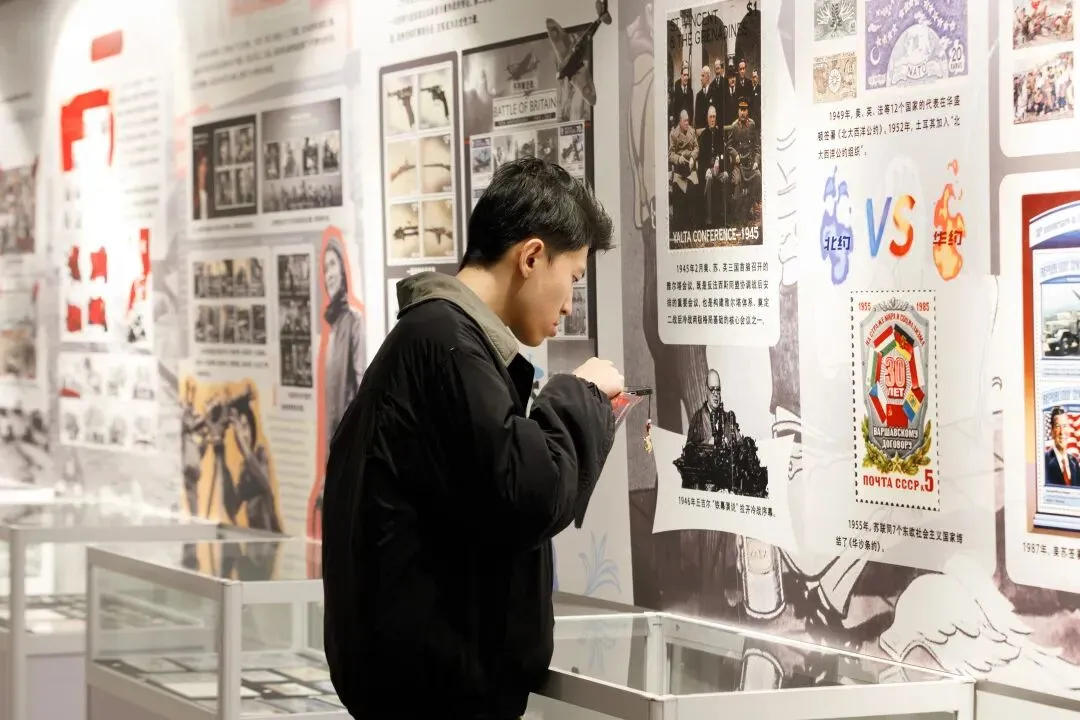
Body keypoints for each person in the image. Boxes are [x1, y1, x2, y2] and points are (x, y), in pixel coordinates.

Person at [322, 157, 624, 719]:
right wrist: (579, 394)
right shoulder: (447, 346)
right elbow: (529, 494)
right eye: (573, 279)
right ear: (531, 257)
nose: (569, 304)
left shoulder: (433, 339)